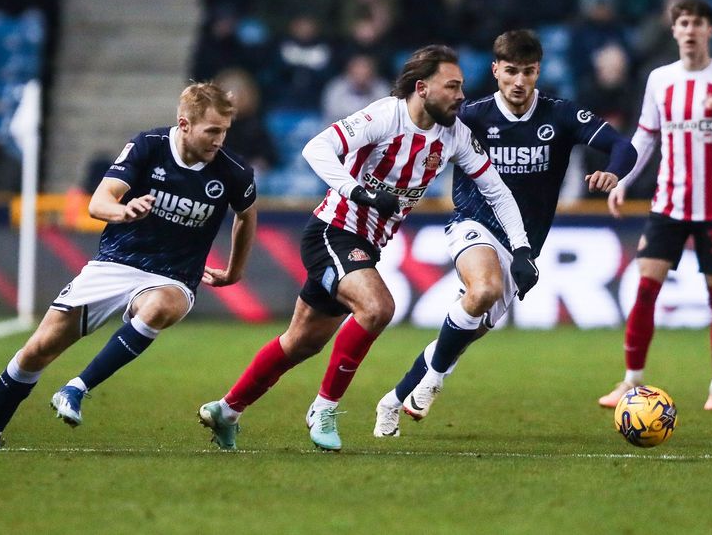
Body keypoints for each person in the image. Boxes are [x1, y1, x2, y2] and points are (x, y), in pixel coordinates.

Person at [198, 45, 537, 451]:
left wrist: (520, 249)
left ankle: (226, 409)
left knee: (300, 342)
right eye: (452, 86)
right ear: (422, 88)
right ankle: (323, 408)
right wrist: (359, 192)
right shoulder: (384, 115)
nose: (461, 95)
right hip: (332, 231)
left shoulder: (455, 135)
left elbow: (496, 192)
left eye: (461, 87)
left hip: (367, 246)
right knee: (378, 307)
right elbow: (316, 148)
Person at [0, 82, 258, 452]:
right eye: (212, 130)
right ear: (184, 124)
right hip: (117, 261)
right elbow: (99, 201)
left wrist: (234, 270)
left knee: (159, 307)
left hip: (174, 275)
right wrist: (122, 210)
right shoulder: (148, 146)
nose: (220, 140)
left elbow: (246, 217)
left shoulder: (233, 171)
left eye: (225, 131)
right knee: (38, 349)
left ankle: (76, 387)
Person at [373, 29, 637, 437]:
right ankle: (435, 381)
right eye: (510, 71)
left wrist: (613, 173)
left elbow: (624, 146)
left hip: (524, 244)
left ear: (538, 72)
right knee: (483, 291)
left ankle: (392, 400)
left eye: (528, 72)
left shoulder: (560, 115)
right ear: (495, 70)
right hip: (473, 223)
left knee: (462, 333)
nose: (519, 81)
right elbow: (418, 137)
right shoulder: (472, 116)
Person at [597, 0, 712, 412]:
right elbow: (646, 137)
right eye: (683, 23)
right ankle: (631, 380)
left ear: (710, 30)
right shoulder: (659, 79)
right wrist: (622, 179)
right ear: (674, 31)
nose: (690, 30)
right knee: (646, 287)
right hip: (668, 203)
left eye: (698, 23)